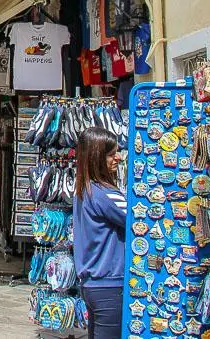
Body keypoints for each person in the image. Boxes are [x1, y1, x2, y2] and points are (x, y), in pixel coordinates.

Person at [72, 127, 126, 339]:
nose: (118, 158)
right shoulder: (104, 194)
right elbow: (138, 220)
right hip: (109, 284)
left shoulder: (84, 190)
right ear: (97, 158)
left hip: (93, 283)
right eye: (112, 154)